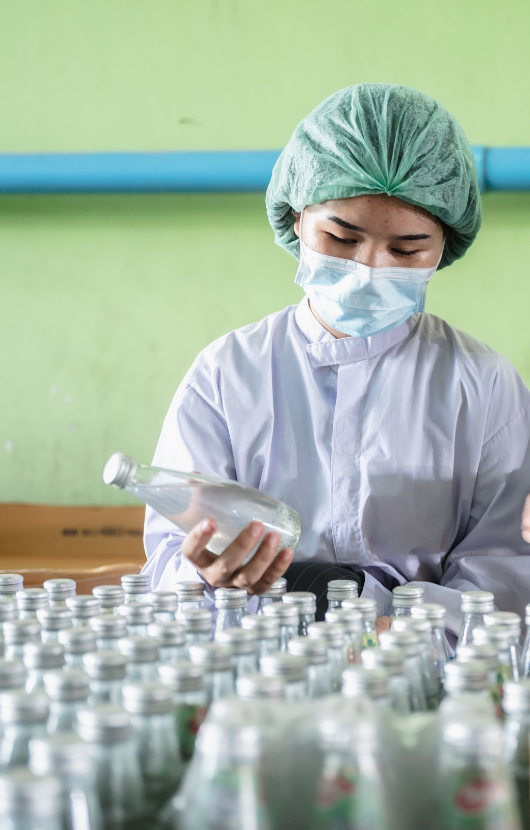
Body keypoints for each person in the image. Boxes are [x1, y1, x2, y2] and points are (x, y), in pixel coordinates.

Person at [142, 84, 530, 641]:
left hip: (420, 675)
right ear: (297, 218)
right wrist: (205, 575)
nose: (370, 269)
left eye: (407, 250)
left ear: (445, 245)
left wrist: (395, 633)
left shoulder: (484, 387)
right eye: (342, 238)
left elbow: (505, 573)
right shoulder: (226, 376)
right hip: (260, 667)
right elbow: (166, 563)